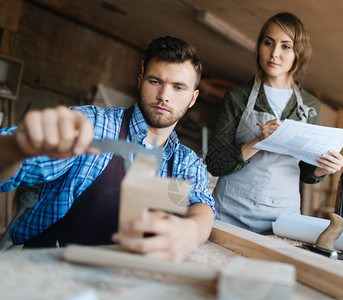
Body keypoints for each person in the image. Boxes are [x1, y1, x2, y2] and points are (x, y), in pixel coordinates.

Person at [0, 36, 215, 261]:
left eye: (178, 87)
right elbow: (11, 170)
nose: (164, 96)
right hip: (51, 269)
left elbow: (201, 203)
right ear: (140, 81)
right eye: (155, 81)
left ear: (193, 98)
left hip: (125, 281)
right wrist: (18, 147)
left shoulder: (185, 161)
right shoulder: (93, 126)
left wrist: (192, 230)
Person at [206, 12, 343, 234]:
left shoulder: (309, 106)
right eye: (268, 43)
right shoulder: (238, 97)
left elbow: (308, 172)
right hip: (230, 212)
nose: (274, 53)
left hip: (283, 217)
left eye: (285, 46)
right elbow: (215, 163)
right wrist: (258, 141)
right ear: (259, 46)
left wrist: (324, 167)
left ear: (298, 53)